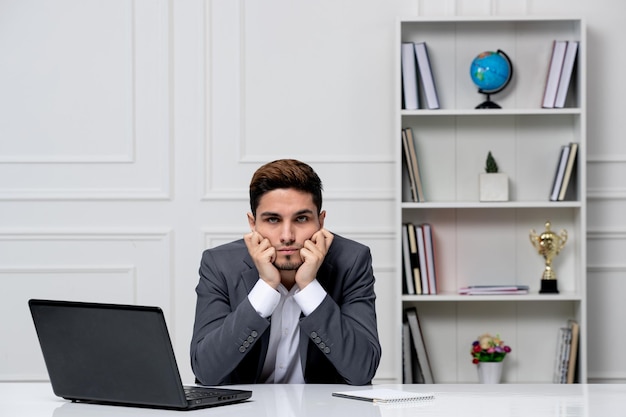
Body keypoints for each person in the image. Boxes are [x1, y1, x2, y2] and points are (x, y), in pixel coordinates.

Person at [190, 159, 381, 385]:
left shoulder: (352, 261)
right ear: (253, 224)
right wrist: (266, 287)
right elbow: (206, 371)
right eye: (273, 219)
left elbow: (362, 370)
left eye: (301, 219)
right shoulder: (219, 264)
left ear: (321, 222)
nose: (287, 236)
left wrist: (309, 287)